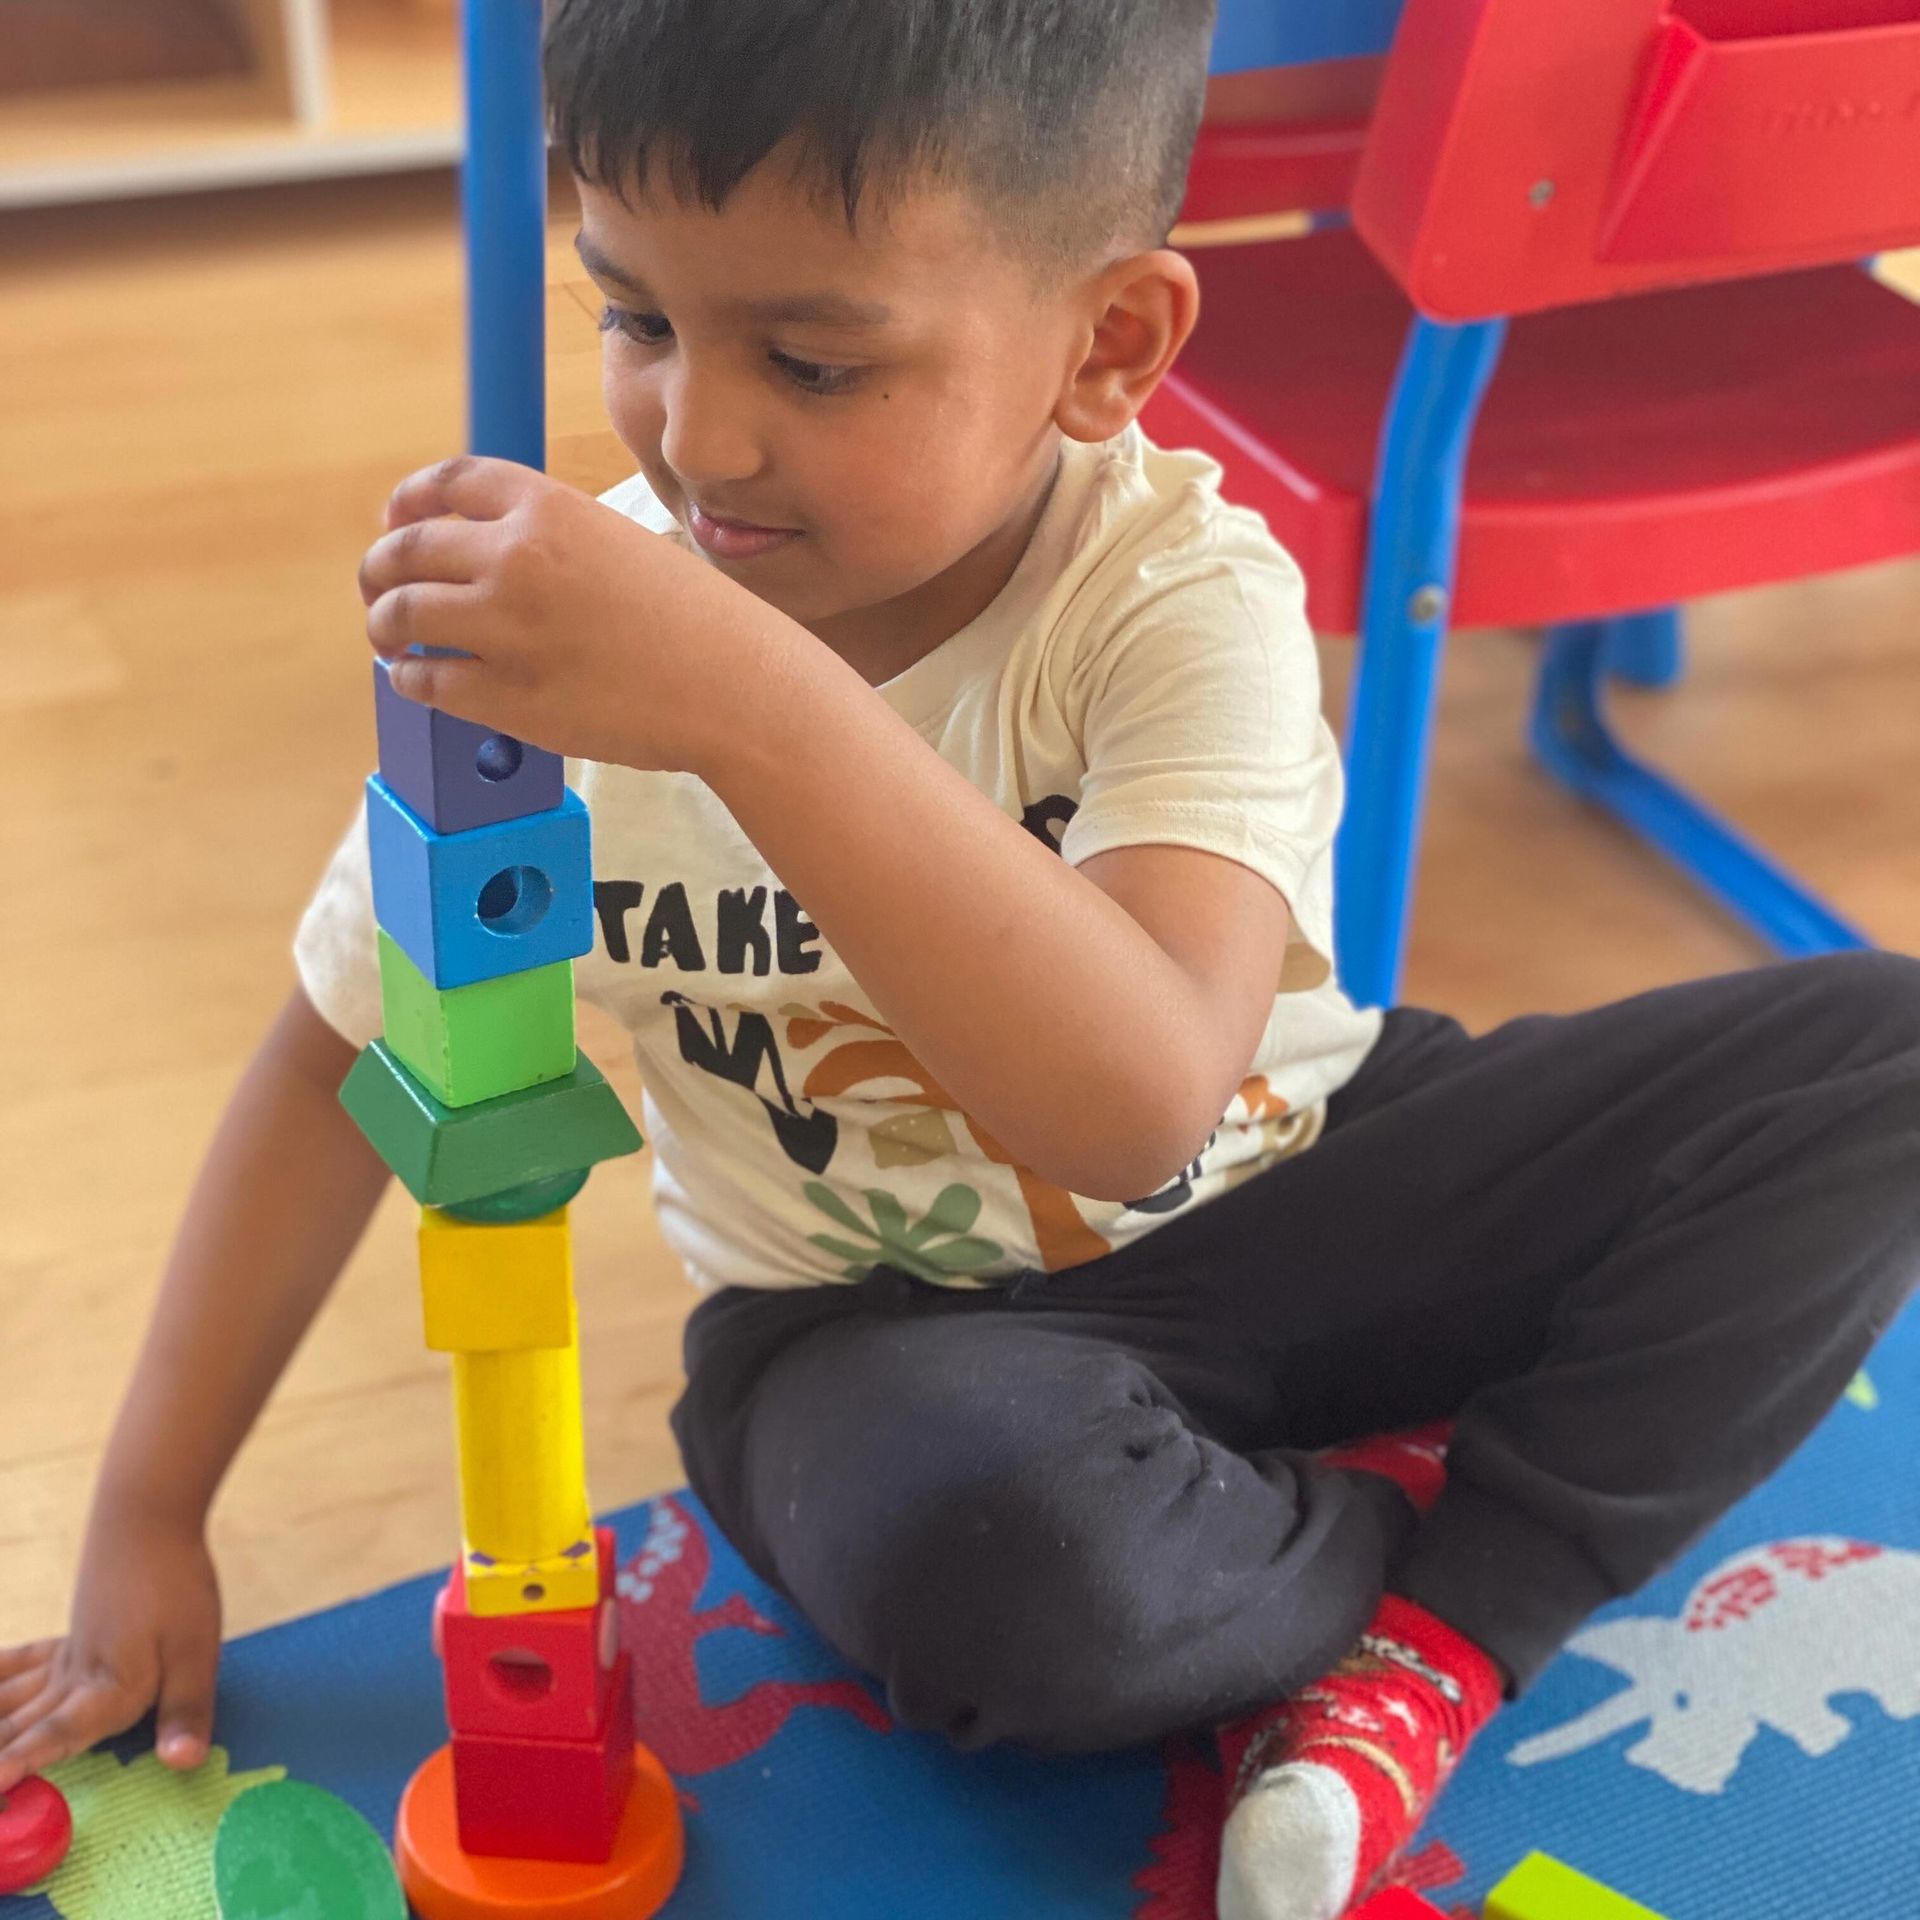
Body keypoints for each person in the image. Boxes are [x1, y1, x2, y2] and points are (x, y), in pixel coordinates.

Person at [3, 4, 1916, 1915]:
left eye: (817, 360)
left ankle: (1453, 1618)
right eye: (641, 318)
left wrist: (750, 704)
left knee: (1882, 1060)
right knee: (1016, 1584)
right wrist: (148, 1516)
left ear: (1109, 349)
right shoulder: (563, 665)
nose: (696, 434)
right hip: (870, 1333)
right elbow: (342, 1062)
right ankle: (1391, 1509)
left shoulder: (1179, 594)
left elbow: (1139, 1103)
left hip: (1305, 1167)